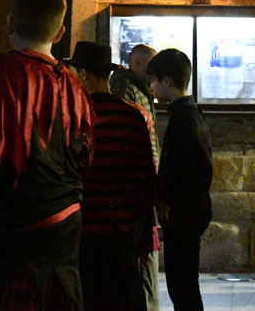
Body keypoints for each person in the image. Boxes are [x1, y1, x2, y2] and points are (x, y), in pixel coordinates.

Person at [0, 0, 94, 311]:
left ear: (9, 24)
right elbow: (84, 155)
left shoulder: (8, 73)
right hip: (66, 221)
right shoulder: (75, 84)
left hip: (18, 226)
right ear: (60, 33)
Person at [67, 41, 157, 311]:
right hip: (123, 233)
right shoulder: (133, 117)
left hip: (83, 232)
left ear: (82, 75)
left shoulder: (74, 118)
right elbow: (145, 177)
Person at [147, 48, 213, 311]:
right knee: (183, 283)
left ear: (167, 82)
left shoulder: (183, 117)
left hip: (184, 214)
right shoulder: (187, 112)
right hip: (189, 211)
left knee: (182, 284)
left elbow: (196, 167)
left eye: (153, 81)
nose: (150, 86)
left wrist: (169, 200)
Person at [109, 43, 162, 311]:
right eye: (151, 67)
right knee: (142, 258)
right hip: (135, 187)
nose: (154, 73)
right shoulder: (126, 91)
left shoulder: (141, 91)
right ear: (138, 64)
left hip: (145, 183)